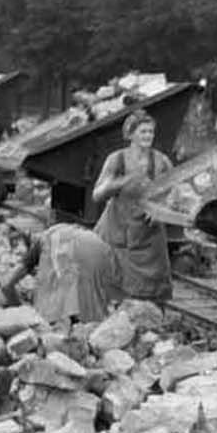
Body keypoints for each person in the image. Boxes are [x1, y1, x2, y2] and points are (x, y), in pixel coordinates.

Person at [92, 111, 174, 302]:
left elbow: (175, 191)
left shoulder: (161, 161)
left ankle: (147, 323)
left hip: (149, 237)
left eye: (151, 132)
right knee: (113, 282)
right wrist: (120, 182)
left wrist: (161, 209)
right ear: (130, 134)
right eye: (143, 132)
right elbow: (97, 194)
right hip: (117, 230)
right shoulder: (117, 159)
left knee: (152, 289)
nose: (148, 136)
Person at [2, 221, 122, 324]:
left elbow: (6, 285)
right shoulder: (60, 231)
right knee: (93, 308)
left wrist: (21, 313)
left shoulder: (42, 244)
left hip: (82, 251)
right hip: (102, 248)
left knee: (49, 313)